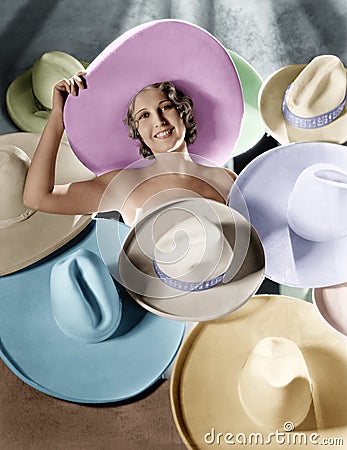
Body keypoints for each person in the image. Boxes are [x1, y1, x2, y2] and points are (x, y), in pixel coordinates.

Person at [23, 72, 239, 226]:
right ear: (137, 130)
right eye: (144, 115)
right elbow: (38, 197)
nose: (159, 120)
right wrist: (58, 118)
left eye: (165, 107)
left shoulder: (225, 179)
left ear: (184, 112)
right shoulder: (124, 184)